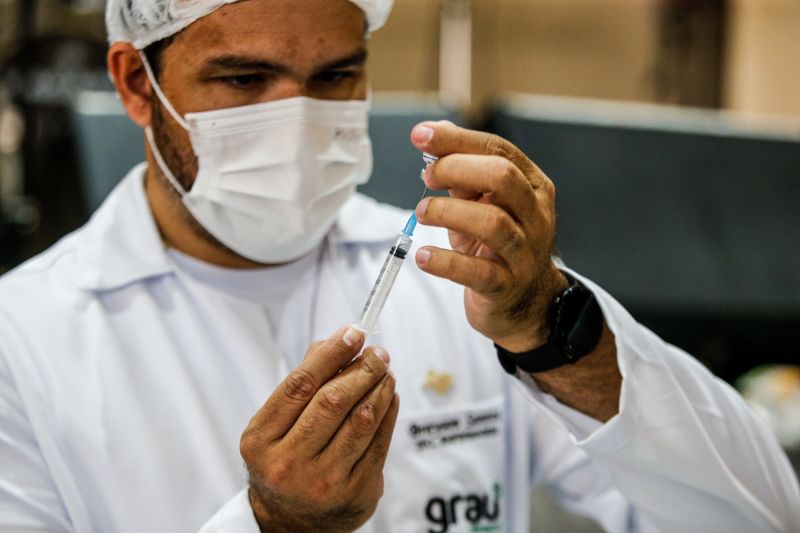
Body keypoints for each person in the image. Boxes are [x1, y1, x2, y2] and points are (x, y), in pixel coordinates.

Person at [0, 0, 797, 531]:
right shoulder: (23, 340)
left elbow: (761, 514)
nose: (300, 118)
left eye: (335, 75)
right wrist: (271, 525)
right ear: (137, 84)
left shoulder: (468, 280)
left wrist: (558, 331)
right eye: (245, 78)